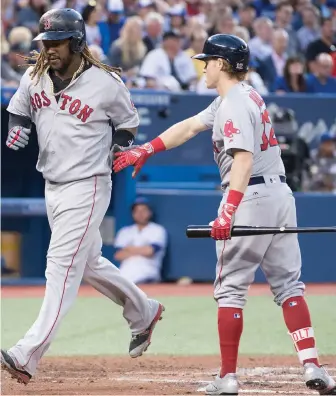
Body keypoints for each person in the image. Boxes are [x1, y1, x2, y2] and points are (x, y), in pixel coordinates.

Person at [113, 34, 336, 396]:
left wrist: (228, 212)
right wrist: (147, 149)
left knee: (231, 290)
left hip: (249, 195)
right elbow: (188, 127)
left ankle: (228, 378)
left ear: (221, 64)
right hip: (280, 195)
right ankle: (313, 366)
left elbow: (243, 160)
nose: (203, 66)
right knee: (290, 287)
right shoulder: (242, 97)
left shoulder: (232, 104)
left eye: (208, 61)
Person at [1, 8, 164, 385]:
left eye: (56, 42)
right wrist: (16, 128)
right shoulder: (35, 75)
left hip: (88, 184)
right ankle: (145, 310)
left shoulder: (106, 83)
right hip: (52, 185)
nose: (49, 49)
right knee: (89, 262)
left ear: (76, 42)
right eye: (46, 42)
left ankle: (28, 353)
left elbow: (128, 124)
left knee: (60, 265)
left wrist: (118, 147)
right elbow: (18, 112)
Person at [114, 197, 167, 284]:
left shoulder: (158, 230)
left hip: (148, 272)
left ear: (150, 212)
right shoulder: (125, 231)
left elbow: (150, 251)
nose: (140, 214)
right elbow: (118, 255)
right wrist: (141, 250)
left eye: (143, 211)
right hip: (125, 271)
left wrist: (128, 248)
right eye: (137, 211)